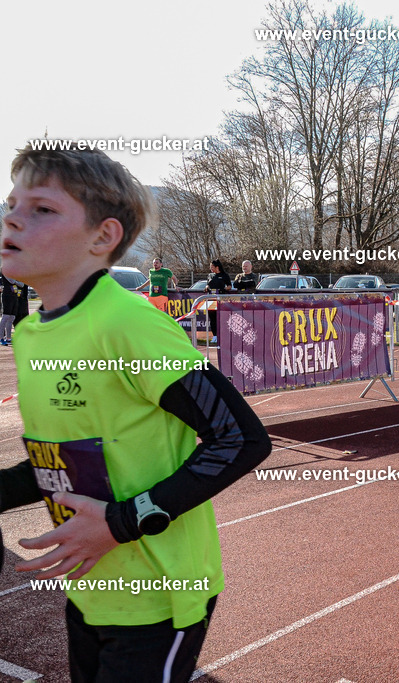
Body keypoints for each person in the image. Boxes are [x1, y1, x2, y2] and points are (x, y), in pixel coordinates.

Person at [0, 146, 272, 683]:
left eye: (42, 209)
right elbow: (63, 461)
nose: (12, 217)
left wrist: (123, 523)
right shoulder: (31, 335)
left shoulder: (129, 324)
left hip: (159, 595)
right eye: (12, 203)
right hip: (91, 584)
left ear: (102, 238)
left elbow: (241, 438)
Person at [203, 259, 232, 344]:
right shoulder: (210, 275)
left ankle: (223, 335)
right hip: (211, 299)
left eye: (212, 267)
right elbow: (208, 284)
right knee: (212, 318)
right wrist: (206, 287)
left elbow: (229, 286)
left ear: (217, 267)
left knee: (222, 317)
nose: (211, 269)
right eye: (210, 267)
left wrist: (223, 289)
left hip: (222, 299)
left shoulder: (224, 275)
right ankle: (215, 336)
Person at [0, 270, 30, 346]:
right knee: (6, 316)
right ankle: (1, 338)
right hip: (7, 295)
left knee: (12, 317)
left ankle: (8, 338)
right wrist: (17, 281)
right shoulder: (5, 270)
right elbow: (12, 281)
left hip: (15, 296)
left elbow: (22, 285)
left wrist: (16, 281)